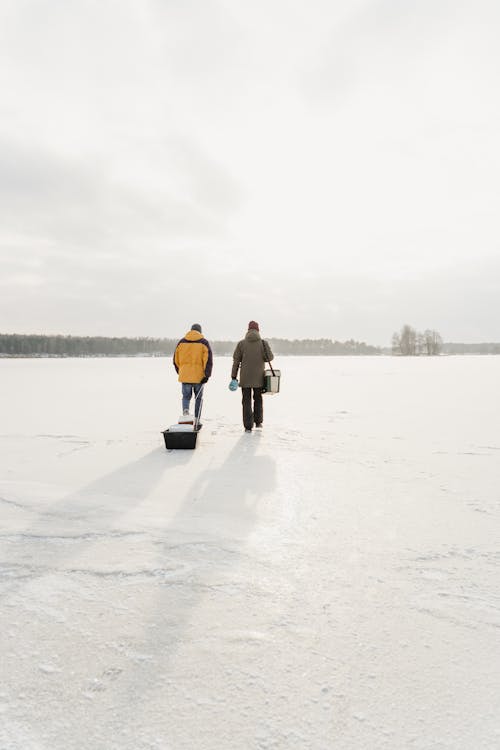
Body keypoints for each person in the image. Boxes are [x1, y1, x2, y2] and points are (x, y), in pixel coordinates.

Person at [231, 321, 274, 432]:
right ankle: (258, 422)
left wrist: (233, 376)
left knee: (246, 400)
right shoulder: (263, 343)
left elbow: (236, 362)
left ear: (248, 330)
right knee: (258, 399)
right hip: (259, 378)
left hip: (245, 378)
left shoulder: (241, 344)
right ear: (258, 330)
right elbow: (270, 358)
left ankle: (248, 426)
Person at [173, 324, 213, 425]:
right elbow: (208, 360)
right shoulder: (204, 342)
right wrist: (206, 375)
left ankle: (186, 414)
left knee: (186, 397)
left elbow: (175, 360)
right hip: (199, 377)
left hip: (185, 376)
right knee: (198, 398)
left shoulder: (181, 342)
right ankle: (197, 419)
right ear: (200, 331)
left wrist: (181, 371)